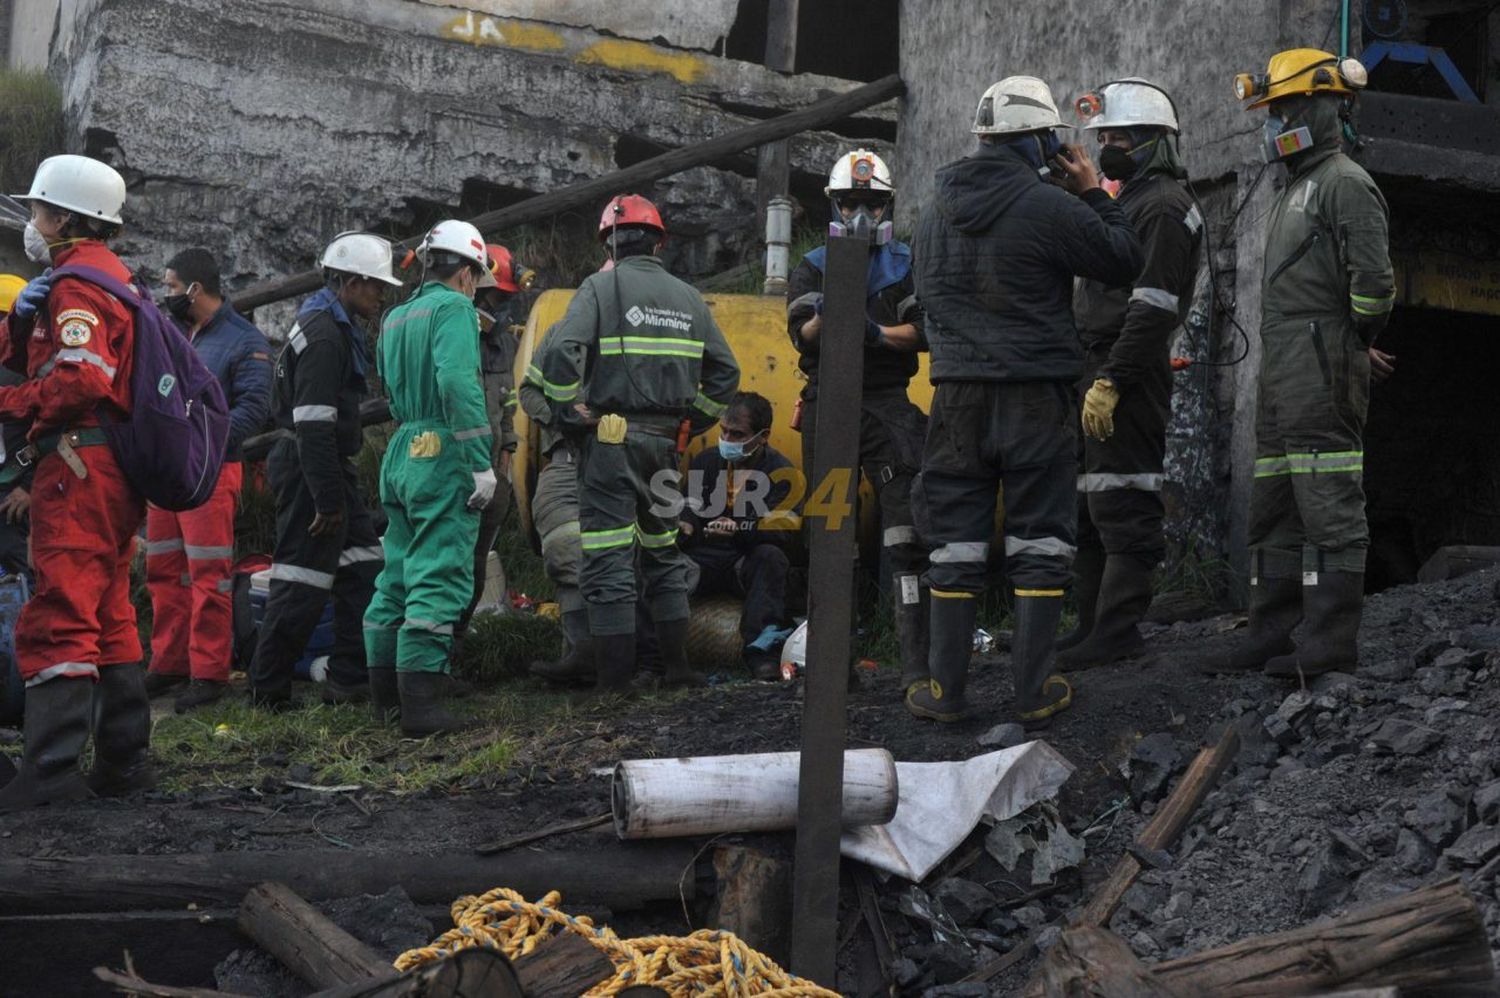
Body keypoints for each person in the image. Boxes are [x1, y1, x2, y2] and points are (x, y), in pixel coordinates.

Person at [909, 77, 1143, 726]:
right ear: (1038, 139)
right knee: (1040, 541)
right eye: (1053, 139)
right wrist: (1094, 192)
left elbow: (923, 300)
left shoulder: (931, 214)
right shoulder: (1047, 206)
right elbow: (1124, 259)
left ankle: (945, 694)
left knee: (953, 544)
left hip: (954, 399)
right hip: (1034, 397)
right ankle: (1034, 694)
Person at [1206, 50, 1394, 678]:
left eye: (1286, 109)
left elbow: (1374, 286)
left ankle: (1329, 640)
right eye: (1272, 111)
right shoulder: (1297, 185)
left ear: (1323, 107)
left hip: (1318, 365)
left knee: (1327, 502)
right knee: (1277, 504)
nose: (1275, 122)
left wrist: (1350, 339)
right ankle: (1272, 631)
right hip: (1287, 367)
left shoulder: (1343, 181)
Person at [538, 194, 740, 694]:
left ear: (610, 241)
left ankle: (614, 681)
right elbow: (726, 372)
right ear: (660, 242)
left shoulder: (601, 286)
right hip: (665, 443)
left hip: (610, 440)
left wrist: (567, 411)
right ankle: (677, 669)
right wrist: (696, 418)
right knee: (663, 551)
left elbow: (565, 348)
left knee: (607, 555)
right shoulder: (690, 298)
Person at [0, 155, 153, 808]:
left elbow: (82, 378)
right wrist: (17, 325)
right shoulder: (113, 279)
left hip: (76, 469)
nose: (31, 221)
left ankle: (53, 777)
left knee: (60, 611)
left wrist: (13, 401)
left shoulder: (77, 286)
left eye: (37, 210)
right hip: (108, 471)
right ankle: (122, 768)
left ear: (62, 218)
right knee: (110, 612)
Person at [1058, 79, 1204, 671]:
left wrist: (1114, 378)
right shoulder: (1132, 200)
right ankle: (1090, 625)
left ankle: (1118, 631)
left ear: (1154, 141)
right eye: (1105, 136)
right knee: (1091, 503)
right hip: (1098, 362)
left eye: (1120, 136)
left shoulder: (1164, 205)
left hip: (1129, 369)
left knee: (1125, 500)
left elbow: (1153, 306)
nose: (1109, 146)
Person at [787, 149, 931, 698]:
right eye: (850, 202)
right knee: (828, 536)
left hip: (890, 405)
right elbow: (802, 334)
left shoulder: (905, 262)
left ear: (886, 204)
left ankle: (916, 667)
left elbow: (922, 333)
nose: (860, 213)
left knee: (906, 536)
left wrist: (873, 332)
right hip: (829, 407)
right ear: (834, 205)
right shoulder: (815, 264)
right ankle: (830, 668)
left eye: (871, 203)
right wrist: (834, 304)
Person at [248, 232, 398, 711]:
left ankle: (348, 676)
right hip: (313, 467)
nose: (381, 295)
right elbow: (313, 424)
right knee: (302, 580)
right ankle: (267, 689)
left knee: (365, 568)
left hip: (325, 465)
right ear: (351, 282)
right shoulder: (326, 336)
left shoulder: (326, 322)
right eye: (375, 286)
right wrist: (328, 500)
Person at [362, 221, 495, 735]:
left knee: (395, 573)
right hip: (443, 451)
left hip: (401, 450)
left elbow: (391, 391)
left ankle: (385, 702)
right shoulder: (455, 309)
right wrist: (479, 460)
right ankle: (421, 707)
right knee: (438, 571)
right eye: (475, 278)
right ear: (465, 272)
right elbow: (459, 382)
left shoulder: (395, 317)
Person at [144, 247, 272, 711]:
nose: (167, 294)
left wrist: (203, 447)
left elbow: (254, 409)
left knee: (208, 575)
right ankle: (168, 663)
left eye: (173, 286)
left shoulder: (244, 341)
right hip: (167, 473)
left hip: (210, 474)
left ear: (196, 289)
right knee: (163, 570)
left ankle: (209, 671)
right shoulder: (174, 332)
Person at [679, 392, 797, 680]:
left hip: (744, 561)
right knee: (663, 559)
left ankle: (762, 653)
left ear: (763, 436)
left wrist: (742, 529)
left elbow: (782, 530)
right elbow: (688, 508)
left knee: (772, 558)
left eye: (737, 434)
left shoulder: (781, 472)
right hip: (704, 557)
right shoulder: (706, 462)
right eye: (724, 432)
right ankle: (656, 653)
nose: (727, 441)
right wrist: (687, 526)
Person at [453, 243, 534, 648]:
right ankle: (432, 654)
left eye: (504, 300)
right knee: (446, 563)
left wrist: (504, 460)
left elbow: (508, 403)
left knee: (475, 564)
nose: (499, 307)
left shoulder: (504, 343)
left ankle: (459, 642)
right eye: (493, 298)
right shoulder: (453, 331)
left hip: (492, 470)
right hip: (453, 468)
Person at [522, 330, 593, 685]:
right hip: (567, 459)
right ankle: (579, 656)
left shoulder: (646, 326)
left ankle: (628, 658)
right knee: (565, 548)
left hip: (623, 458)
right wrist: (560, 416)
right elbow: (528, 390)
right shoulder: (562, 332)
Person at [0, 276, 34, 576]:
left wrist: (28, 487)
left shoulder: (25, 369)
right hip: (10, 484)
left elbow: (54, 431)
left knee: (18, 564)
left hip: (13, 490)